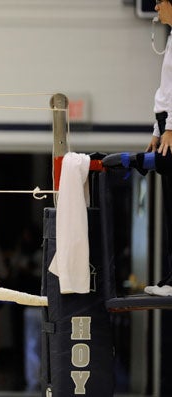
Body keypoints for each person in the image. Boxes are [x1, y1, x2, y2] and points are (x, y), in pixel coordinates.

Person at [102, 0, 172, 297]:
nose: (156, 7)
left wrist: (170, 128)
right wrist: (158, 130)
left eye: (160, 2)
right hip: (166, 125)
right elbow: (165, 91)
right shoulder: (171, 38)